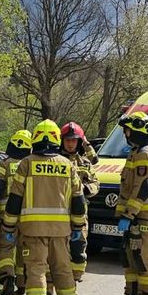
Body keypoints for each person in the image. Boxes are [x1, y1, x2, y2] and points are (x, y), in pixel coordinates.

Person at [1, 120, 85, 295]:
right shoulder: (67, 165)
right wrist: (77, 226)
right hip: (61, 230)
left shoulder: (26, 163)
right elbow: (78, 200)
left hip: (32, 229)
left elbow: (14, 200)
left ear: (35, 138)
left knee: (36, 269)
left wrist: (8, 227)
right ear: (57, 139)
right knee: (63, 267)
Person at [111, 112, 148, 295]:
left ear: (136, 130)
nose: (125, 133)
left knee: (144, 256)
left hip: (144, 215)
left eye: (127, 129)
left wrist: (129, 214)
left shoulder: (144, 153)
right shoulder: (136, 152)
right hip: (135, 215)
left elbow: (143, 186)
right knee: (130, 254)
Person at [0, 130, 33, 295]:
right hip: (27, 216)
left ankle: (7, 277)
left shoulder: (4, 164)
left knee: (4, 248)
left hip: (6, 215)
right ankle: (22, 284)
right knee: (23, 249)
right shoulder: (30, 165)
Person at [60, 121, 100, 282]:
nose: (70, 144)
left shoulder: (85, 162)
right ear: (62, 141)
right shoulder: (55, 161)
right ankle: (55, 281)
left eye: (74, 140)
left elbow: (96, 183)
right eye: (68, 140)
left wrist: (86, 189)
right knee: (58, 248)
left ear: (78, 142)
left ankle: (75, 277)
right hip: (60, 212)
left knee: (78, 245)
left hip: (80, 212)